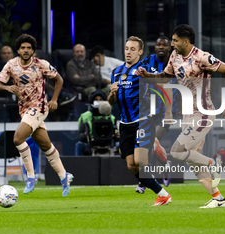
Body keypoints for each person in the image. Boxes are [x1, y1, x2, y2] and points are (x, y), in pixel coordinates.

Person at [137, 24, 225, 208]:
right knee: (192, 160)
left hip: (203, 113)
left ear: (186, 41)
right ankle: (218, 198)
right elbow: (165, 78)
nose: (172, 44)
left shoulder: (202, 57)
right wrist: (147, 75)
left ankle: (213, 163)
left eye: (175, 40)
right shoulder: (174, 57)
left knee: (176, 151)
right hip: (188, 115)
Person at [0, 34, 74, 196]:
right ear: (18, 50)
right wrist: (8, 88)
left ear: (32, 51)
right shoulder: (11, 64)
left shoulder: (41, 65)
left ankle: (31, 176)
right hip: (24, 109)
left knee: (18, 138)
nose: (25, 50)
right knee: (45, 145)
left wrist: (54, 99)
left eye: (29, 48)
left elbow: (58, 80)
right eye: (23, 48)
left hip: (39, 106)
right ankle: (64, 176)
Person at [108, 36, 172, 206]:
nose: (128, 52)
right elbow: (111, 102)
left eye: (133, 49)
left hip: (142, 120)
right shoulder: (116, 72)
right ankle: (163, 194)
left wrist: (168, 112)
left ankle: (155, 147)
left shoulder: (144, 69)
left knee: (141, 161)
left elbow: (164, 84)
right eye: (127, 48)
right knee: (131, 166)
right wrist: (111, 93)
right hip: (125, 124)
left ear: (140, 52)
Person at [135, 35, 175, 193]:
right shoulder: (148, 61)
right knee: (149, 143)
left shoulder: (174, 62)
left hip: (167, 109)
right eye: (158, 45)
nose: (161, 48)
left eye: (164, 45)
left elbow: (169, 87)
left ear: (169, 48)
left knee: (152, 142)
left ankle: (145, 180)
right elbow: (137, 73)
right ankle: (162, 167)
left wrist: (169, 113)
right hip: (147, 109)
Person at [75, 90, 117, 156]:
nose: (98, 101)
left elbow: (115, 134)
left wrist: (117, 135)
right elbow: (80, 136)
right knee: (79, 145)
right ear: (92, 101)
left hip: (108, 144)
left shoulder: (111, 118)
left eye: (101, 99)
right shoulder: (85, 116)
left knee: (121, 146)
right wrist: (85, 135)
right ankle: (78, 166)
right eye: (96, 99)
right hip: (90, 144)